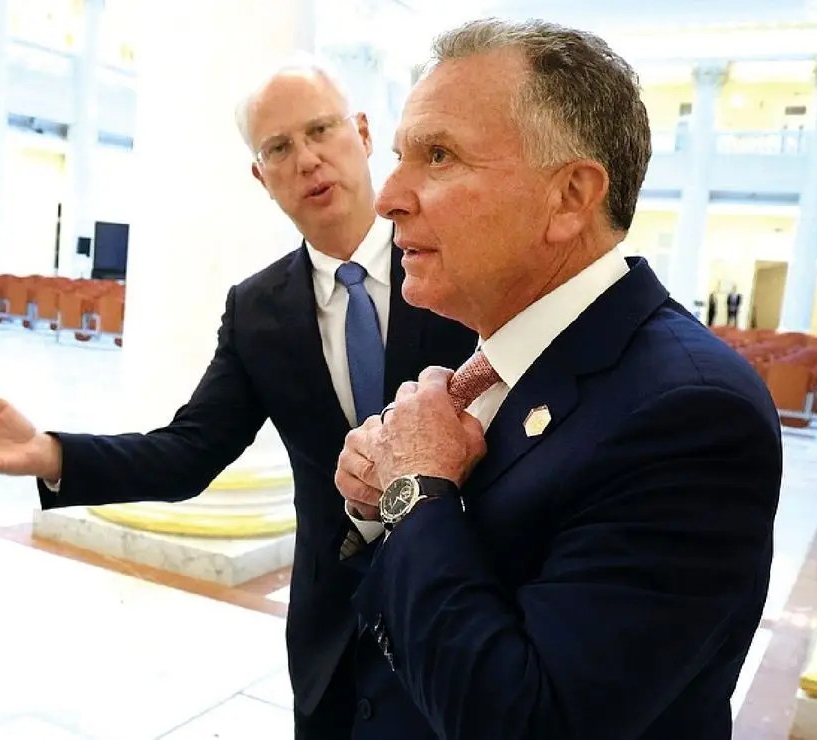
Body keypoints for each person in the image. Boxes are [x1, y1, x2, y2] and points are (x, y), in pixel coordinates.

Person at [0, 58, 476, 739]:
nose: (307, 160)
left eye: (321, 131)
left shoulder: (455, 262)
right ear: (261, 176)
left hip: (461, 610)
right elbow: (189, 453)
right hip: (333, 636)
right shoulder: (258, 309)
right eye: (279, 147)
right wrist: (50, 453)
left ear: (362, 134)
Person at [334, 18, 782, 740]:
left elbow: (530, 721)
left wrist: (414, 489)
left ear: (571, 196)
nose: (387, 196)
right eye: (399, 157)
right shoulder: (492, 358)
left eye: (439, 155)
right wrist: (378, 498)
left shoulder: (692, 412)